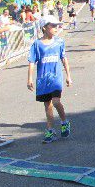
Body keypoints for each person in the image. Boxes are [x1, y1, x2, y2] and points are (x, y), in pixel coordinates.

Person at [27, 15, 72, 144]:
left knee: (56, 101)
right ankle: (50, 130)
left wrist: (68, 76)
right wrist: (29, 78)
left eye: (56, 25)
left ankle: (64, 122)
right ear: (45, 27)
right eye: (52, 25)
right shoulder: (37, 44)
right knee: (48, 105)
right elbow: (31, 62)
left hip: (56, 78)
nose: (55, 28)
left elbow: (64, 58)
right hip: (43, 80)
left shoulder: (59, 42)